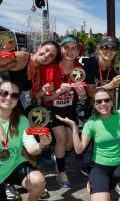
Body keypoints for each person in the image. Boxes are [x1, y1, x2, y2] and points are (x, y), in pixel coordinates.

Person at [0, 40, 60, 201]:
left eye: (52, 56)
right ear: (39, 47)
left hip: (10, 103)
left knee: (23, 139)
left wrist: (45, 90)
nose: (47, 55)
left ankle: (30, 176)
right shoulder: (23, 57)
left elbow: (36, 94)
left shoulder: (37, 70)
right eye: (46, 50)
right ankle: (3, 183)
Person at [55, 88, 120, 201]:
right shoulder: (91, 123)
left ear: (112, 102)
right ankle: (97, 182)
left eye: (106, 100)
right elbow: (79, 149)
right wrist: (74, 127)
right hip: (100, 167)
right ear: (94, 105)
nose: (103, 104)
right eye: (99, 101)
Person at [38, 35, 87, 188]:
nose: (70, 51)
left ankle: (56, 156)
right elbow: (45, 98)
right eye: (66, 47)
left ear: (77, 51)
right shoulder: (50, 67)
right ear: (61, 49)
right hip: (52, 107)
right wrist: (58, 91)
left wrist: (82, 94)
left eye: (73, 48)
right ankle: (61, 172)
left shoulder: (80, 68)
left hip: (70, 108)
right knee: (60, 140)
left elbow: (82, 96)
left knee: (69, 144)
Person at [81, 36, 120, 176]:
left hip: (105, 104)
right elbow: (90, 91)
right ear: (99, 49)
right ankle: (86, 165)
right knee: (89, 136)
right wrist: (110, 85)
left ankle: (102, 163)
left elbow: (112, 91)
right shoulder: (90, 63)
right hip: (88, 103)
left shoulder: (116, 67)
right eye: (105, 47)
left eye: (112, 48)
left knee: (103, 133)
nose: (109, 51)